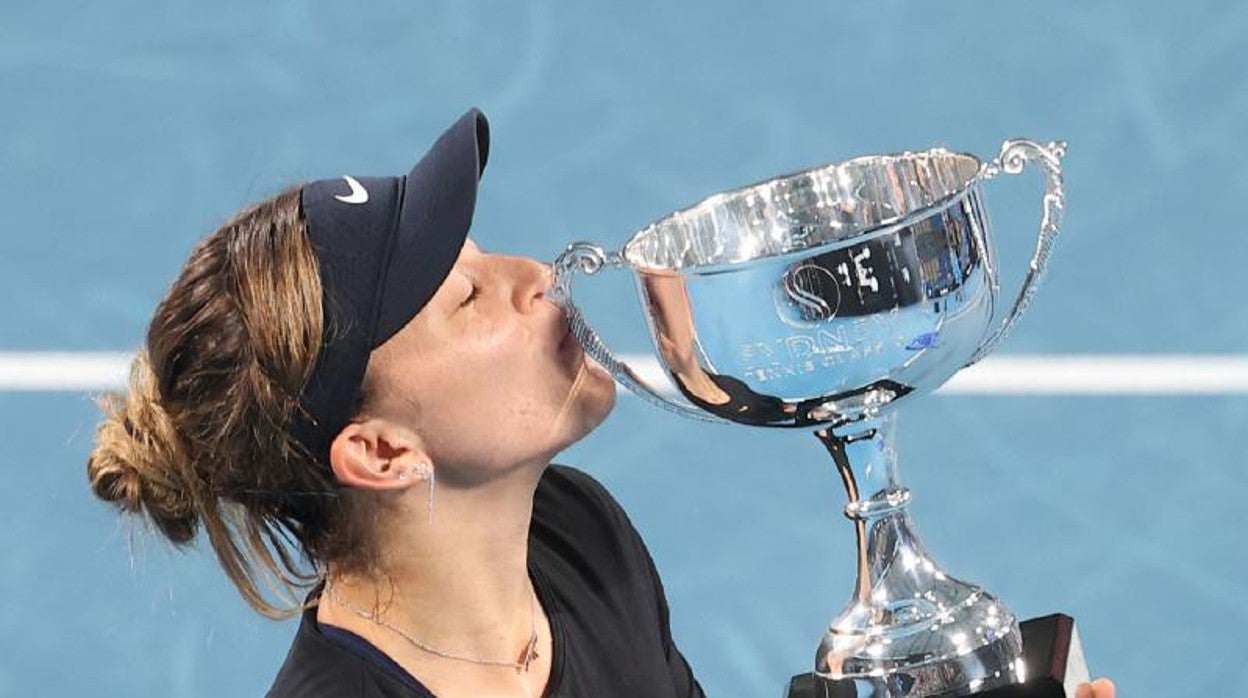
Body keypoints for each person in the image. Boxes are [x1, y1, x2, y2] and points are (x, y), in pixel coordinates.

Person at [85, 108, 1115, 698]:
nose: (540, 276)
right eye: (469, 297)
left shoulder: (575, 539)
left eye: (490, 254)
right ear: (382, 449)